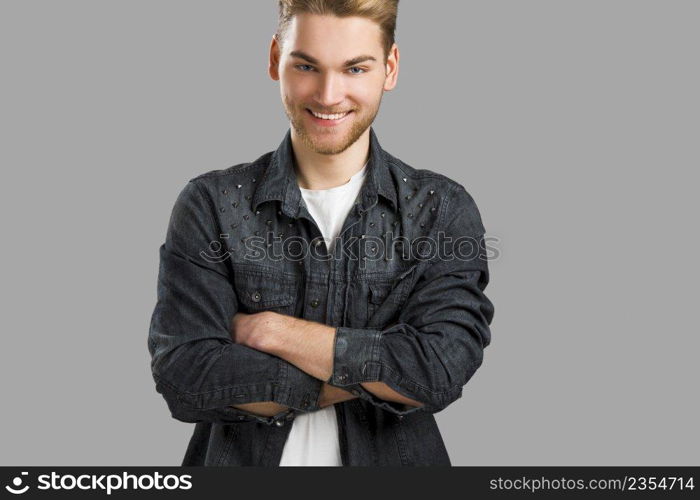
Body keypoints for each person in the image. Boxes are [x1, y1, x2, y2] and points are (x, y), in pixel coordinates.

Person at [148, 0, 495, 466]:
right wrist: (380, 372)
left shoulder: (441, 208)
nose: (329, 95)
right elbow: (185, 377)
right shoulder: (210, 203)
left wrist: (274, 332)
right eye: (307, 65)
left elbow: (439, 370)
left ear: (389, 69)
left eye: (355, 68)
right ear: (275, 60)